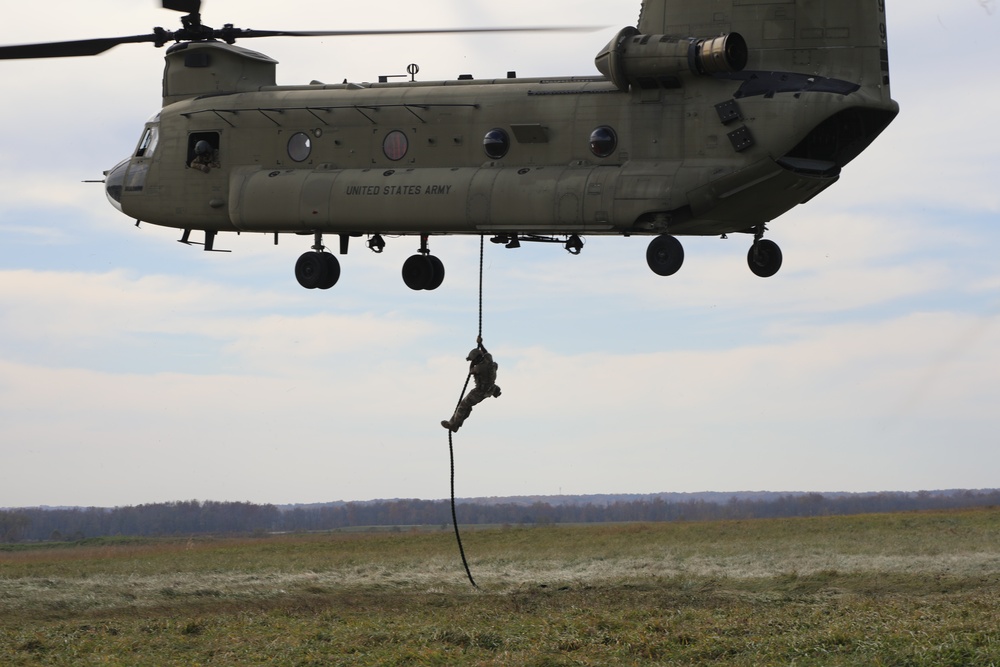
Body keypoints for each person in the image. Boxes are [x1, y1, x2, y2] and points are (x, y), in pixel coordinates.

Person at [442, 337, 501, 432]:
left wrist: (472, 364)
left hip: (480, 391)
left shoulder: (479, 368)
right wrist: (480, 344)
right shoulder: (488, 359)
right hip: (491, 387)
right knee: (467, 405)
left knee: (463, 405)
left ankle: (454, 424)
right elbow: (485, 352)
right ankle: (457, 423)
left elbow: (470, 371)